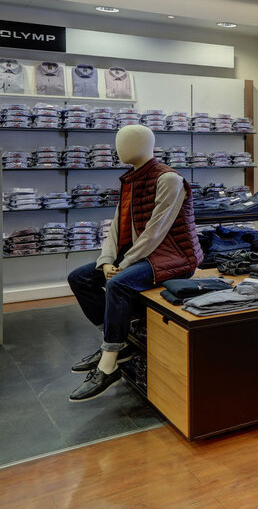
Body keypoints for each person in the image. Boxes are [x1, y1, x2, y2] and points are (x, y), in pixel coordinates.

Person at [66, 125, 202, 401]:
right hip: (143, 253)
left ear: (145, 145)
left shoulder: (169, 179)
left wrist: (125, 263)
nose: (119, 148)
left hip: (174, 256)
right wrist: (106, 260)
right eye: (119, 141)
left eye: (126, 141)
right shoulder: (131, 179)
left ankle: (108, 366)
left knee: (118, 284)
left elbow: (156, 231)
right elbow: (116, 227)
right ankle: (115, 343)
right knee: (79, 278)